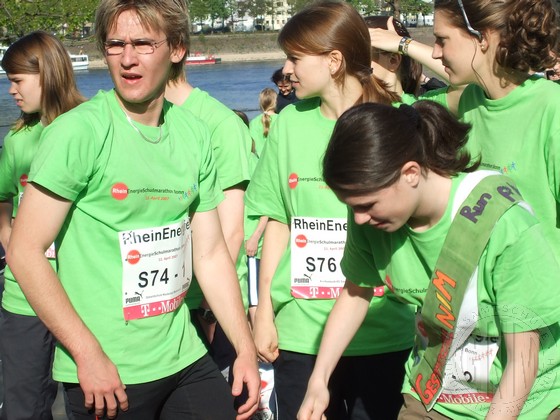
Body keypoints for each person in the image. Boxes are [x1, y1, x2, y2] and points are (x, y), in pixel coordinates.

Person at [6, 0, 260, 419]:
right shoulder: (78, 131)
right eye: (115, 44)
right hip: (107, 371)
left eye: (143, 43)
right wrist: (87, 355)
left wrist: (245, 348)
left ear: (177, 48)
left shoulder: (195, 133)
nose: (127, 59)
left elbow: (211, 253)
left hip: (183, 356)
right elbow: (23, 251)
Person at [299, 100, 560, 420]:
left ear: (410, 173)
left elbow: (524, 360)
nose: (360, 218)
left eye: (367, 204)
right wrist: (319, 380)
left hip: (527, 399)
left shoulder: (504, 224)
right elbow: (355, 294)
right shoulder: (369, 218)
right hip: (436, 391)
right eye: (351, 206)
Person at [245, 2, 416, 418]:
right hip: (302, 333)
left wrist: (408, 46)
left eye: (295, 58)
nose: (287, 70)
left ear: (334, 60)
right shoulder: (287, 125)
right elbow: (276, 220)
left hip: (384, 331)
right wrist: (263, 309)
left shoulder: (399, 118)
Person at [0, 31, 85, 420]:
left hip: (82, 295)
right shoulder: (18, 141)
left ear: (47, 73)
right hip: (24, 299)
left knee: (90, 403)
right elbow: (3, 198)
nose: (11, 90)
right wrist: (10, 240)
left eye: (18, 80)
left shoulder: (88, 127)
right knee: (25, 407)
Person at [165, 31, 253, 385]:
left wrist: (208, 308)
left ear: (175, 49)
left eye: (143, 43)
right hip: (162, 307)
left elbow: (231, 231)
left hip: (209, 310)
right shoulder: (140, 121)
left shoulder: (221, 124)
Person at [249, 87, 277, 157]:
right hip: (277, 160)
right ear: (275, 102)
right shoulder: (281, 119)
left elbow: (252, 146)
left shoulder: (253, 122)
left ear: (260, 103)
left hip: (259, 161)